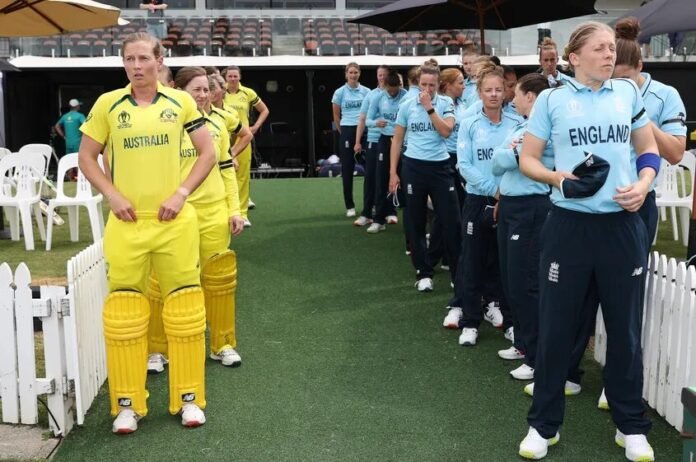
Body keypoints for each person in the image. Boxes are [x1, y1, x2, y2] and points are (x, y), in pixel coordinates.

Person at [516, 21, 659, 462]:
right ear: (574, 57)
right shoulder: (553, 100)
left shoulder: (627, 94)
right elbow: (528, 159)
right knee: (557, 331)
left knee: (625, 332)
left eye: (612, 49)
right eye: (599, 49)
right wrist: (558, 179)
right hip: (569, 228)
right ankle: (544, 427)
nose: (609, 55)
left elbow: (647, 149)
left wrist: (645, 183)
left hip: (622, 227)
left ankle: (630, 426)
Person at [78, 32, 216, 433]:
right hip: (126, 223)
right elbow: (87, 157)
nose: (135, 66)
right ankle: (127, 404)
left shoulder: (181, 102)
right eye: (128, 59)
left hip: (174, 222)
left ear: (159, 60)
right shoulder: (108, 104)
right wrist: (111, 194)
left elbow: (207, 152)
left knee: (186, 309)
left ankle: (189, 399)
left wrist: (182, 192)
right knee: (124, 313)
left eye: (142, 58)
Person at [146, 67, 253, 375]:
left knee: (218, 282)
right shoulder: (163, 125)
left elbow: (226, 171)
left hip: (213, 214)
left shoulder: (218, 123)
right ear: (178, 91)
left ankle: (222, 344)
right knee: (162, 282)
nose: (204, 95)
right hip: (174, 215)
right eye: (197, 89)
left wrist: (235, 211)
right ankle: (157, 349)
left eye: (207, 89)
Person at [443, 62, 520, 345]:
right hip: (478, 201)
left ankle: (511, 321)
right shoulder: (469, 124)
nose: (494, 94)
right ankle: (470, 322)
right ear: (480, 92)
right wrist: (493, 190)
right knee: (473, 261)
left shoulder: (516, 124)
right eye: (488, 90)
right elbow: (465, 165)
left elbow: (520, 162)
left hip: (509, 202)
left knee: (506, 264)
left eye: (499, 89)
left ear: (505, 92)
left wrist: (503, 193)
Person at [490, 73, 551, 380]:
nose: (511, 98)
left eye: (516, 93)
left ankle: (536, 355)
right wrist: (505, 156)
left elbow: (508, 160)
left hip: (532, 207)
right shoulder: (519, 125)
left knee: (526, 282)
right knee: (511, 278)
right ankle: (524, 343)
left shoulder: (541, 127)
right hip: (512, 205)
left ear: (530, 96)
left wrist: (506, 156)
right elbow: (497, 162)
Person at [388, 62, 460, 292]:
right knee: (415, 220)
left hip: (440, 166)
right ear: (418, 84)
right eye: (424, 85)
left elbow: (446, 131)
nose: (427, 89)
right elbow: (397, 140)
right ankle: (423, 272)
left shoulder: (446, 103)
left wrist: (430, 108)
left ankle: (458, 275)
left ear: (439, 85)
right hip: (413, 167)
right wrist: (393, 173)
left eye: (432, 85)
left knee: (451, 221)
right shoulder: (407, 105)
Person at [427, 68, 467, 268]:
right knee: (448, 212)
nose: (464, 85)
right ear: (448, 85)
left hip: (461, 160)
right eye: (460, 82)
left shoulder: (462, 104)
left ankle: (438, 256)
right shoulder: (442, 104)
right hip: (447, 159)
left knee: (452, 211)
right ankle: (436, 256)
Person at [224, 65, 269, 227]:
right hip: (224, 138)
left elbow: (264, 110)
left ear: (240, 77)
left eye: (235, 76)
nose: (233, 79)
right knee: (224, 175)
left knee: (242, 176)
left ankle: (242, 213)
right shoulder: (220, 92)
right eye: (230, 76)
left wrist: (255, 127)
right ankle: (227, 211)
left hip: (242, 139)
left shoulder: (248, 93)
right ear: (226, 77)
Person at [366, 69, 407, 234]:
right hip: (384, 141)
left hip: (403, 141)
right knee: (382, 179)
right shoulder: (378, 97)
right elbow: (367, 120)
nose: (391, 92)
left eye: (394, 89)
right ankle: (378, 219)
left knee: (405, 178)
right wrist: (377, 122)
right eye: (389, 89)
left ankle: (403, 215)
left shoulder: (406, 96)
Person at [354, 65, 391, 227]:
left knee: (389, 178)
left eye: (384, 75)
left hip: (392, 142)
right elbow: (362, 119)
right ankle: (367, 213)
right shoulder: (371, 95)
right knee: (370, 178)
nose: (381, 77)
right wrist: (357, 141)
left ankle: (389, 211)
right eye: (379, 75)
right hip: (373, 141)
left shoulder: (396, 94)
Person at [332, 62, 370, 218]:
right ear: (346, 74)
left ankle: (370, 205)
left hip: (365, 131)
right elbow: (336, 115)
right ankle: (350, 206)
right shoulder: (339, 92)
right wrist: (344, 133)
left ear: (359, 73)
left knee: (370, 170)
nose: (353, 75)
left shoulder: (367, 91)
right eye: (350, 72)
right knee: (347, 170)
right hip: (347, 130)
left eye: (356, 72)